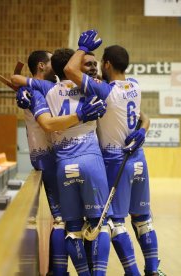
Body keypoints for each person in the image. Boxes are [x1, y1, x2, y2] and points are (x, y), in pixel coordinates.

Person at [64, 29, 166, 276]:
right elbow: (143, 117)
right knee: (143, 218)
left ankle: (132, 273)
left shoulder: (105, 91)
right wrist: (143, 129)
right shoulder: (136, 85)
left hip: (115, 160)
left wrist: (80, 49)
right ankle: (153, 270)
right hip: (139, 158)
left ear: (107, 64)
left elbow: (69, 71)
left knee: (114, 222)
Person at [11, 48, 111, 276]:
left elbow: (18, 80)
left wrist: (23, 87)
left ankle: (66, 271)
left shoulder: (45, 91)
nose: (93, 69)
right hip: (86, 158)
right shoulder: (90, 87)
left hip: (59, 160)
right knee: (99, 225)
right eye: (88, 65)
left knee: (67, 225)